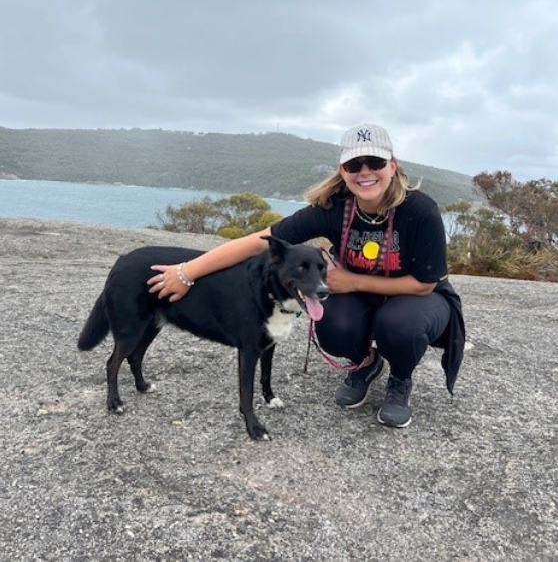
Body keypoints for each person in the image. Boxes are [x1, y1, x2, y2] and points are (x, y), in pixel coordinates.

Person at [148, 123, 465, 429]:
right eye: (354, 164)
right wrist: (187, 272)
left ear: (392, 166)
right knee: (331, 323)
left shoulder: (420, 210)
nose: (365, 172)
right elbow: (259, 241)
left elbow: (426, 283)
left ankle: (400, 377)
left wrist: (353, 281)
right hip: (362, 296)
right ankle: (367, 364)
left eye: (375, 162)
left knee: (400, 325)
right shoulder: (335, 208)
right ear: (343, 171)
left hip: (417, 297)